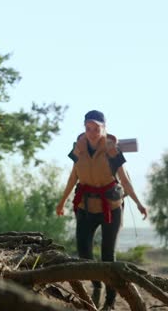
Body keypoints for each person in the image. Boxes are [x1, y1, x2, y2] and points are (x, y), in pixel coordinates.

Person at [56, 110, 148, 310]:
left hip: (111, 208)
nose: (92, 132)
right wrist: (61, 202)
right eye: (88, 128)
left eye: (96, 128)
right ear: (84, 128)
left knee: (108, 256)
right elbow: (73, 177)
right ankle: (96, 286)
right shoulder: (78, 148)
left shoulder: (112, 149)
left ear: (103, 128)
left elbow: (124, 179)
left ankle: (109, 302)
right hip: (85, 207)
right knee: (84, 253)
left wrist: (139, 203)